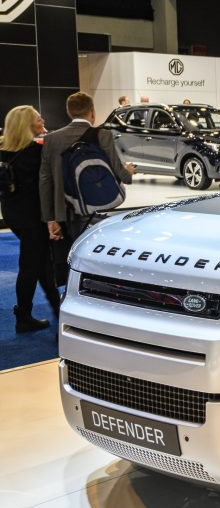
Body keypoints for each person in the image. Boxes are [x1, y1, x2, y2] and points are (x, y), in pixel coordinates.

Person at [39, 92, 136, 244]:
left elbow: (45, 180)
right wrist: (128, 172)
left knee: (71, 251)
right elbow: (121, 173)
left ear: (69, 112)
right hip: (98, 205)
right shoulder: (103, 135)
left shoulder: (52, 139)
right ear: (92, 111)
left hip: (67, 211)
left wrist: (50, 218)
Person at [1, 106, 61, 332]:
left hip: (13, 214)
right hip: (33, 217)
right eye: (38, 118)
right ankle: (23, 317)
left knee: (40, 262)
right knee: (31, 266)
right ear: (26, 124)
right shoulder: (36, 153)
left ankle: (55, 307)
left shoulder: (5, 151)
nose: (42, 120)